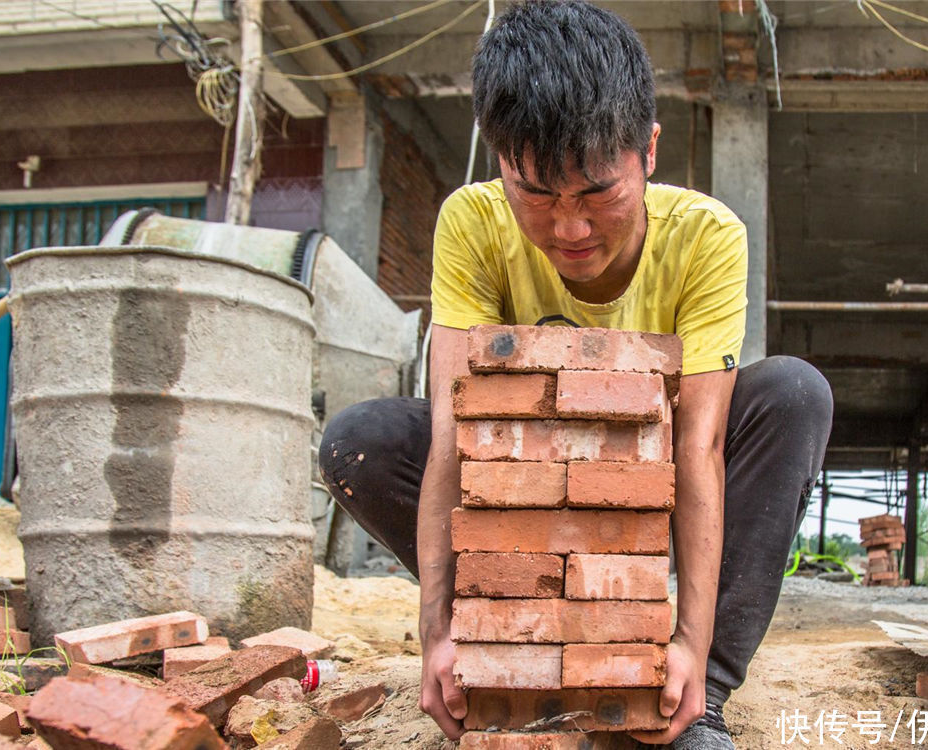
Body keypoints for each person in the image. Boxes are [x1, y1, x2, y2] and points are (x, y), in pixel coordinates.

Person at [319, 2, 833, 747]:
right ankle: (507, 639)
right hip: (524, 494)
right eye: (535, 195)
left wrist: (689, 640)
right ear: (498, 161)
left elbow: (701, 447)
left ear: (648, 152)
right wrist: (437, 633)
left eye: (597, 194)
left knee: (791, 393)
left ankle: (698, 694)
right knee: (361, 441)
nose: (569, 229)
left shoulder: (707, 237)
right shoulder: (471, 223)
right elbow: (449, 439)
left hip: (657, 487)